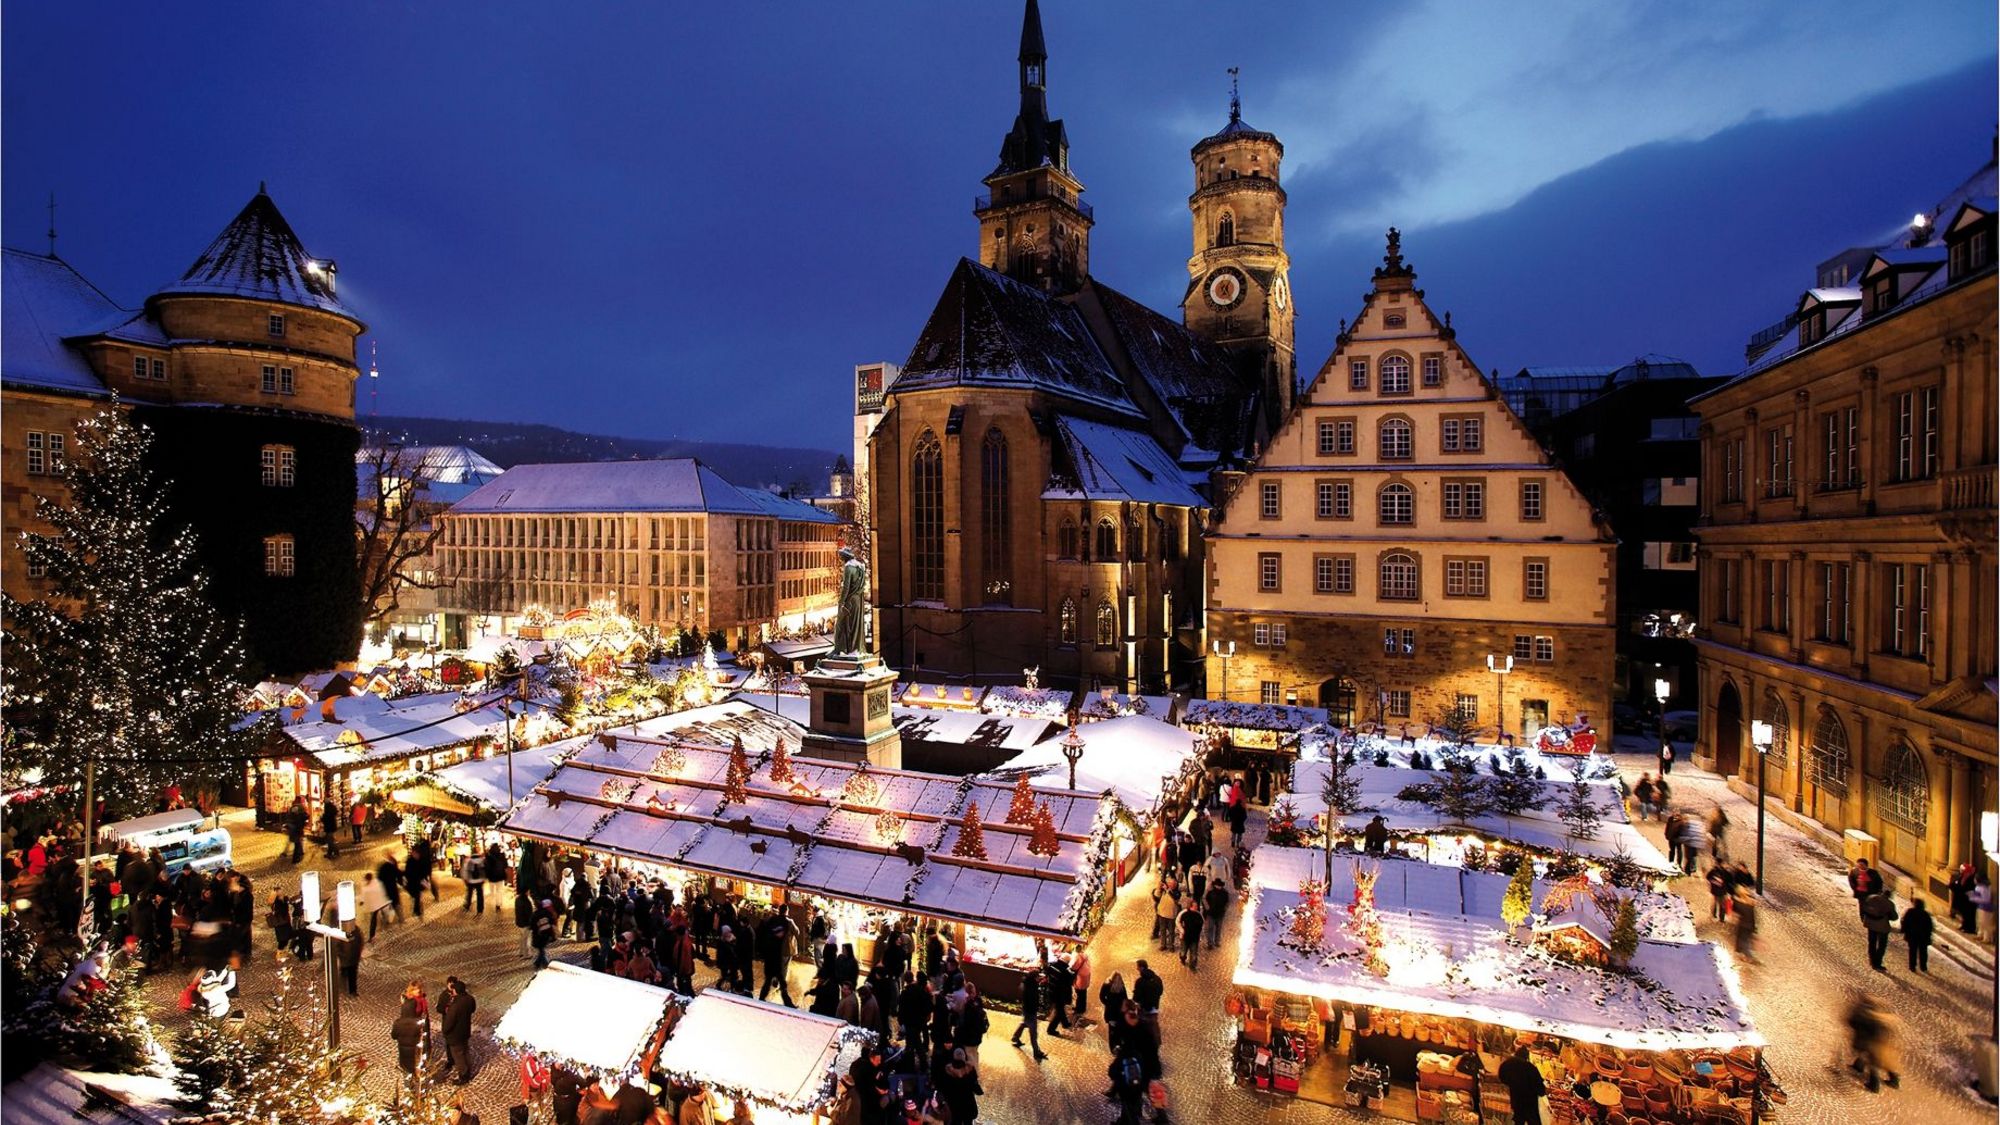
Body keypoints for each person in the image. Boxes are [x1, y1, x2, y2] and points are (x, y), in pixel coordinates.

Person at [1845, 993, 1901, 1092]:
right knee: (1882, 1059)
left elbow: (1852, 1021)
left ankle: (1874, 1084)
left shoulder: (1867, 1015)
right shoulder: (1883, 1017)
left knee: (1873, 1062)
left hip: (1870, 1043)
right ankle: (1859, 1066)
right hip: (1879, 1044)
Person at [437, 976, 477, 1084]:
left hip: (455, 1035)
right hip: (465, 1031)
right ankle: (468, 1070)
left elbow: (448, 1023)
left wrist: (445, 1031)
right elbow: (473, 1008)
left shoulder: (455, 1006)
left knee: (458, 1055)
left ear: (456, 991)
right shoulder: (469, 999)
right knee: (465, 1051)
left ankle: (463, 1076)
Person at [391, 987, 432, 1091]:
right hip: (417, 1054)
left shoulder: (398, 1022)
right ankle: (419, 1094)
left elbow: (394, 1036)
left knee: (407, 1075)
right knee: (418, 1075)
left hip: (404, 1054)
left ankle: (408, 1092)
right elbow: (424, 1037)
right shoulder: (419, 1023)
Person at [1497, 1045, 1547, 1125]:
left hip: (1516, 1100)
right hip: (1530, 1103)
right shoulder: (1531, 1068)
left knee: (1518, 1120)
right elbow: (1541, 1091)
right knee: (1533, 1121)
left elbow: (1501, 1077)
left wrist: (1511, 1084)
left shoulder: (1507, 1063)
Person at [757, 911, 796, 1007]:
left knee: (773, 983)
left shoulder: (772, 938)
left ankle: (762, 999)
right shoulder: (774, 941)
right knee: (775, 983)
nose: (782, 934)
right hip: (774, 964)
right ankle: (787, 1003)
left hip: (772, 964)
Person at [937, 1048, 982, 1125]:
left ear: (954, 1057)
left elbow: (943, 1086)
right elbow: (974, 1083)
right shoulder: (970, 1068)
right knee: (968, 1122)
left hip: (954, 1103)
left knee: (955, 1120)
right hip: (968, 1102)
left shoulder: (948, 1069)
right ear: (964, 1057)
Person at [1010, 967, 1047, 1061]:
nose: (1039, 978)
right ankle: (1036, 1051)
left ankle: (1015, 1037)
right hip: (1031, 1011)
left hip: (1027, 1010)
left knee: (1025, 1023)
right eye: (1038, 977)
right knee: (1033, 1032)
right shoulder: (1032, 987)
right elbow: (1032, 999)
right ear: (1035, 977)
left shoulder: (1028, 983)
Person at [1859, 887, 1897, 972]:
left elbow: (1863, 908)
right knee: (1881, 945)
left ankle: (1872, 961)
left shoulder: (1871, 898)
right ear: (1889, 895)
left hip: (1870, 924)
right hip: (1882, 927)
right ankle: (1877, 963)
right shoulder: (1889, 904)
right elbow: (1894, 917)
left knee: (1872, 943)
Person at [1110, 1048, 1147, 1125]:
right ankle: (1125, 1120)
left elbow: (1112, 1073)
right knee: (1133, 1104)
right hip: (1138, 1088)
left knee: (1128, 1108)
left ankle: (1130, 1121)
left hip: (1126, 1090)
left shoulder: (1120, 1059)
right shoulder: (1138, 1055)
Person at [1901, 898, 1934, 973]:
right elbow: (1929, 927)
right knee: (1923, 952)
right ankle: (1923, 967)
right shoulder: (1925, 914)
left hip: (1912, 936)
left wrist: (1904, 931)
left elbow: (1905, 922)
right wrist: (1928, 936)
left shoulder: (1910, 912)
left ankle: (1912, 966)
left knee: (1912, 951)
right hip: (1923, 937)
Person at [1097, 971, 1128, 1046]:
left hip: (1110, 1012)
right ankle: (1119, 1044)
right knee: (1119, 1029)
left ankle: (1113, 1047)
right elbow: (1125, 999)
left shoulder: (1106, 985)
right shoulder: (1121, 987)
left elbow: (1101, 996)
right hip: (1120, 1013)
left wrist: (1107, 1003)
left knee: (1111, 1031)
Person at [1948, 863, 1980, 933]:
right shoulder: (1962, 876)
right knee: (1964, 914)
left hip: (1969, 901)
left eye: (1962, 870)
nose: (1961, 872)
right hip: (1963, 899)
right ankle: (1964, 926)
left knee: (1969, 915)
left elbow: (1968, 888)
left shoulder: (1971, 879)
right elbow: (1958, 884)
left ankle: (1970, 928)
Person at [337, 915, 364, 996]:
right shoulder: (342, 931)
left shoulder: (356, 930)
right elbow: (338, 945)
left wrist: (358, 952)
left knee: (352, 974)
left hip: (353, 957)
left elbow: (360, 942)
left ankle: (352, 991)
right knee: (345, 973)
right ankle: (344, 988)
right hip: (346, 958)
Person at [362, 872, 394, 939]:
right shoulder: (372, 884)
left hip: (378, 903)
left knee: (375, 917)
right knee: (374, 918)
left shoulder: (372, 885)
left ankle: (372, 935)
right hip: (376, 904)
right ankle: (372, 935)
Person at [1175, 897, 1203, 970]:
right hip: (1185, 937)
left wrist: (1199, 934)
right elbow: (1177, 921)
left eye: (1197, 906)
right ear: (1190, 906)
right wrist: (1181, 930)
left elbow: (1201, 924)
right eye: (1195, 906)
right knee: (1183, 952)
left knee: (1194, 954)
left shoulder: (1198, 914)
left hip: (1195, 937)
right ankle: (1182, 958)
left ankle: (1192, 966)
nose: (1197, 907)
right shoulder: (1184, 913)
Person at [1732, 887, 1759, 962]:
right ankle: (1747, 956)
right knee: (1746, 940)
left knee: (1743, 940)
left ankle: (1748, 956)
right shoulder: (1750, 903)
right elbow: (1753, 916)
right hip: (1749, 925)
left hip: (1743, 925)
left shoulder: (1737, 903)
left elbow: (1735, 914)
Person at [1202, 879, 1229, 950]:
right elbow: (1204, 899)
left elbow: (1227, 902)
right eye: (1217, 885)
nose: (1218, 887)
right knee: (1210, 928)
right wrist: (1207, 908)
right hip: (1211, 913)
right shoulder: (1210, 892)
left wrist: (1224, 909)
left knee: (1218, 929)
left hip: (1220, 913)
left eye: (1219, 885)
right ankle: (1210, 943)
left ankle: (1217, 941)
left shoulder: (1225, 893)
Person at [533, 898, 559, 968]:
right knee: (542, 948)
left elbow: (533, 925)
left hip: (539, 934)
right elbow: (551, 922)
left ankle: (541, 963)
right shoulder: (547, 913)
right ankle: (540, 962)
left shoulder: (535, 914)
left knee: (541, 949)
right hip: (546, 933)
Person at [1974, 872, 1996, 943]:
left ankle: (1987, 938)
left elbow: (1985, 898)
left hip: (1985, 908)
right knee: (1980, 922)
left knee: (1986, 923)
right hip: (1981, 906)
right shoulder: (1980, 887)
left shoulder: (1983, 888)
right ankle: (1981, 934)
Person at [285, 798, 307, 863]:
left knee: (297, 842)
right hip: (297, 828)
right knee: (297, 843)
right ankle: (295, 859)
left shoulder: (292, 809)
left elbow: (288, 818)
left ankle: (300, 852)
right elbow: (303, 817)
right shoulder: (300, 808)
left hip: (293, 828)